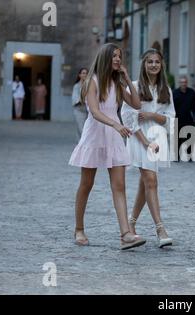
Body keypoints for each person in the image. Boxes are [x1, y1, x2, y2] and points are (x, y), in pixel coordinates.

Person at [69, 43, 146, 250]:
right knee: (87, 184)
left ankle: (125, 234)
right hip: (95, 133)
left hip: (114, 135)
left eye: (120, 56)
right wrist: (115, 124)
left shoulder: (117, 83)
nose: (118, 60)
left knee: (119, 186)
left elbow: (137, 104)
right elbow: (94, 111)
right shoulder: (91, 81)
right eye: (114, 56)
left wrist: (127, 78)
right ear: (105, 58)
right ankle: (79, 228)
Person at [121, 48, 175, 248]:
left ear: (161, 65)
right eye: (150, 62)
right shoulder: (134, 86)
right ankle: (160, 229)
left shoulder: (165, 90)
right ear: (144, 64)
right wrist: (145, 142)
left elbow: (171, 120)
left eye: (157, 62)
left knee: (146, 183)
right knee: (151, 181)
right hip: (139, 137)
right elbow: (128, 116)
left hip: (157, 137)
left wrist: (152, 115)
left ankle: (131, 223)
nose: (153, 65)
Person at [173, 76, 195, 161]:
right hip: (178, 119)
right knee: (177, 138)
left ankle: (189, 155)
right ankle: (177, 156)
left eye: (185, 82)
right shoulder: (175, 93)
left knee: (190, 138)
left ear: (186, 83)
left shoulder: (191, 92)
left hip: (188, 119)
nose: (183, 84)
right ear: (179, 83)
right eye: (182, 82)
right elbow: (171, 107)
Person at [72, 68, 89, 140]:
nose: (85, 75)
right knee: (81, 130)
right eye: (83, 73)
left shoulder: (90, 85)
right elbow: (75, 99)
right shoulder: (76, 86)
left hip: (88, 111)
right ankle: (82, 147)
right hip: (79, 111)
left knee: (87, 130)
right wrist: (84, 99)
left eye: (86, 73)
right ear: (79, 75)